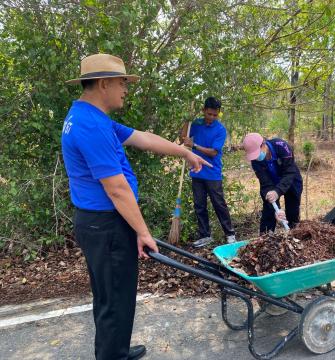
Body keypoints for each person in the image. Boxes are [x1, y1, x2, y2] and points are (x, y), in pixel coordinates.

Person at [62, 53, 210, 360]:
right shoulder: (90, 125)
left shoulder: (92, 117)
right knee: (114, 297)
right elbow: (116, 189)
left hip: (101, 224)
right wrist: (142, 232)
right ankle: (112, 355)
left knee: (113, 295)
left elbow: (143, 138)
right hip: (106, 226)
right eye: (122, 82)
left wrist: (185, 154)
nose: (126, 89)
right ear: (103, 83)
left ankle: (115, 350)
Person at [179, 97, 236, 248]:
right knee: (199, 205)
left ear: (218, 114)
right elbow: (183, 139)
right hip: (196, 171)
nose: (211, 117)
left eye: (214, 115)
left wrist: (195, 146)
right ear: (204, 110)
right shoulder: (196, 123)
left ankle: (230, 234)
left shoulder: (220, 130)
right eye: (209, 114)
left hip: (212, 172)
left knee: (219, 204)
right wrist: (186, 121)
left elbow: (213, 152)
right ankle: (205, 235)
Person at [242, 133, 303, 233]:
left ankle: (294, 235)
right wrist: (277, 210)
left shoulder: (281, 146)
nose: (257, 157)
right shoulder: (255, 161)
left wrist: (278, 191)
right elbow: (265, 183)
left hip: (291, 180)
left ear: (263, 144)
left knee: (293, 211)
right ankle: (265, 238)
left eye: (257, 153)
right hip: (271, 183)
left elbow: (289, 171)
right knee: (269, 211)